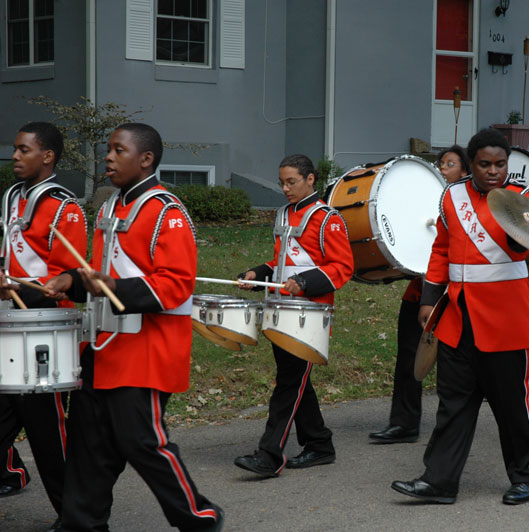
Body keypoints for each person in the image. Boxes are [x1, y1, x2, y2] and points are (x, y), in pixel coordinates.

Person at [45, 123, 224, 531]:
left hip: (146, 352)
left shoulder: (168, 212)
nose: (108, 157)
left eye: (118, 150)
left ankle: (200, 518)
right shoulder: (109, 208)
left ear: (145, 159)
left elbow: (177, 285)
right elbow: (102, 274)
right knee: (89, 447)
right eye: (108, 149)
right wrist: (73, 280)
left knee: (143, 444)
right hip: (102, 348)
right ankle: (80, 523)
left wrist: (112, 287)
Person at [391, 128, 529, 505]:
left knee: (513, 406)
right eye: (485, 164)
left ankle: (526, 476)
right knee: (453, 404)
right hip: (458, 319)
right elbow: (440, 249)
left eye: (501, 164)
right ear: (471, 163)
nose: (494, 171)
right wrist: (429, 297)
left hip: (505, 321)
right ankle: (439, 481)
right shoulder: (451, 197)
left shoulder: (521, 198)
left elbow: (528, 249)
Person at [234, 154, 353, 476]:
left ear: (310, 179)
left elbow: (342, 268)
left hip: (310, 313)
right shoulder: (284, 214)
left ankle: (269, 455)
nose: (285, 189)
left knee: (289, 382)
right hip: (280, 309)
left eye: (292, 182)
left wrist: (303, 283)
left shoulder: (328, 218)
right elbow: (283, 265)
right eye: (282, 182)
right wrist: (258, 274)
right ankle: (319, 444)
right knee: (296, 381)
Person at [0, 122, 87, 531]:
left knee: (47, 433)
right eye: (15, 149)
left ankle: (77, 515)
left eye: (24, 150)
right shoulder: (12, 198)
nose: (15, 156)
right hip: (9, 323)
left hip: (44, 331)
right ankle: (11, 474)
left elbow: (67, 278)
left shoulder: (64, 207)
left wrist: (13, 289)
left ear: (48, 155)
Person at [369, 145, 469, 444]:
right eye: (440, 163)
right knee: (409, 359)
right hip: (421, 295)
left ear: (465, 172)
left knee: (460, 367)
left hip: (457, 297)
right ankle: (404, 422)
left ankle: (458, 427)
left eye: (450, 164)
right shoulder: (424, 201)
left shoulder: (467, 207)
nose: (441, 168)